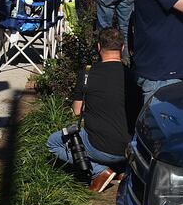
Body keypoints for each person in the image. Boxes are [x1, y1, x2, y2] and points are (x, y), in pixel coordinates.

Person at [45, 26, 140, 193]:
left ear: (99, 47)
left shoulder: (87, 74)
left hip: (98, 146)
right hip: (129, 148)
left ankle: (98, 171)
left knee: (53, 143)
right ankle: (120, 169)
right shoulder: (132, 75)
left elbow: (77, 110)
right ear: (122, 48)